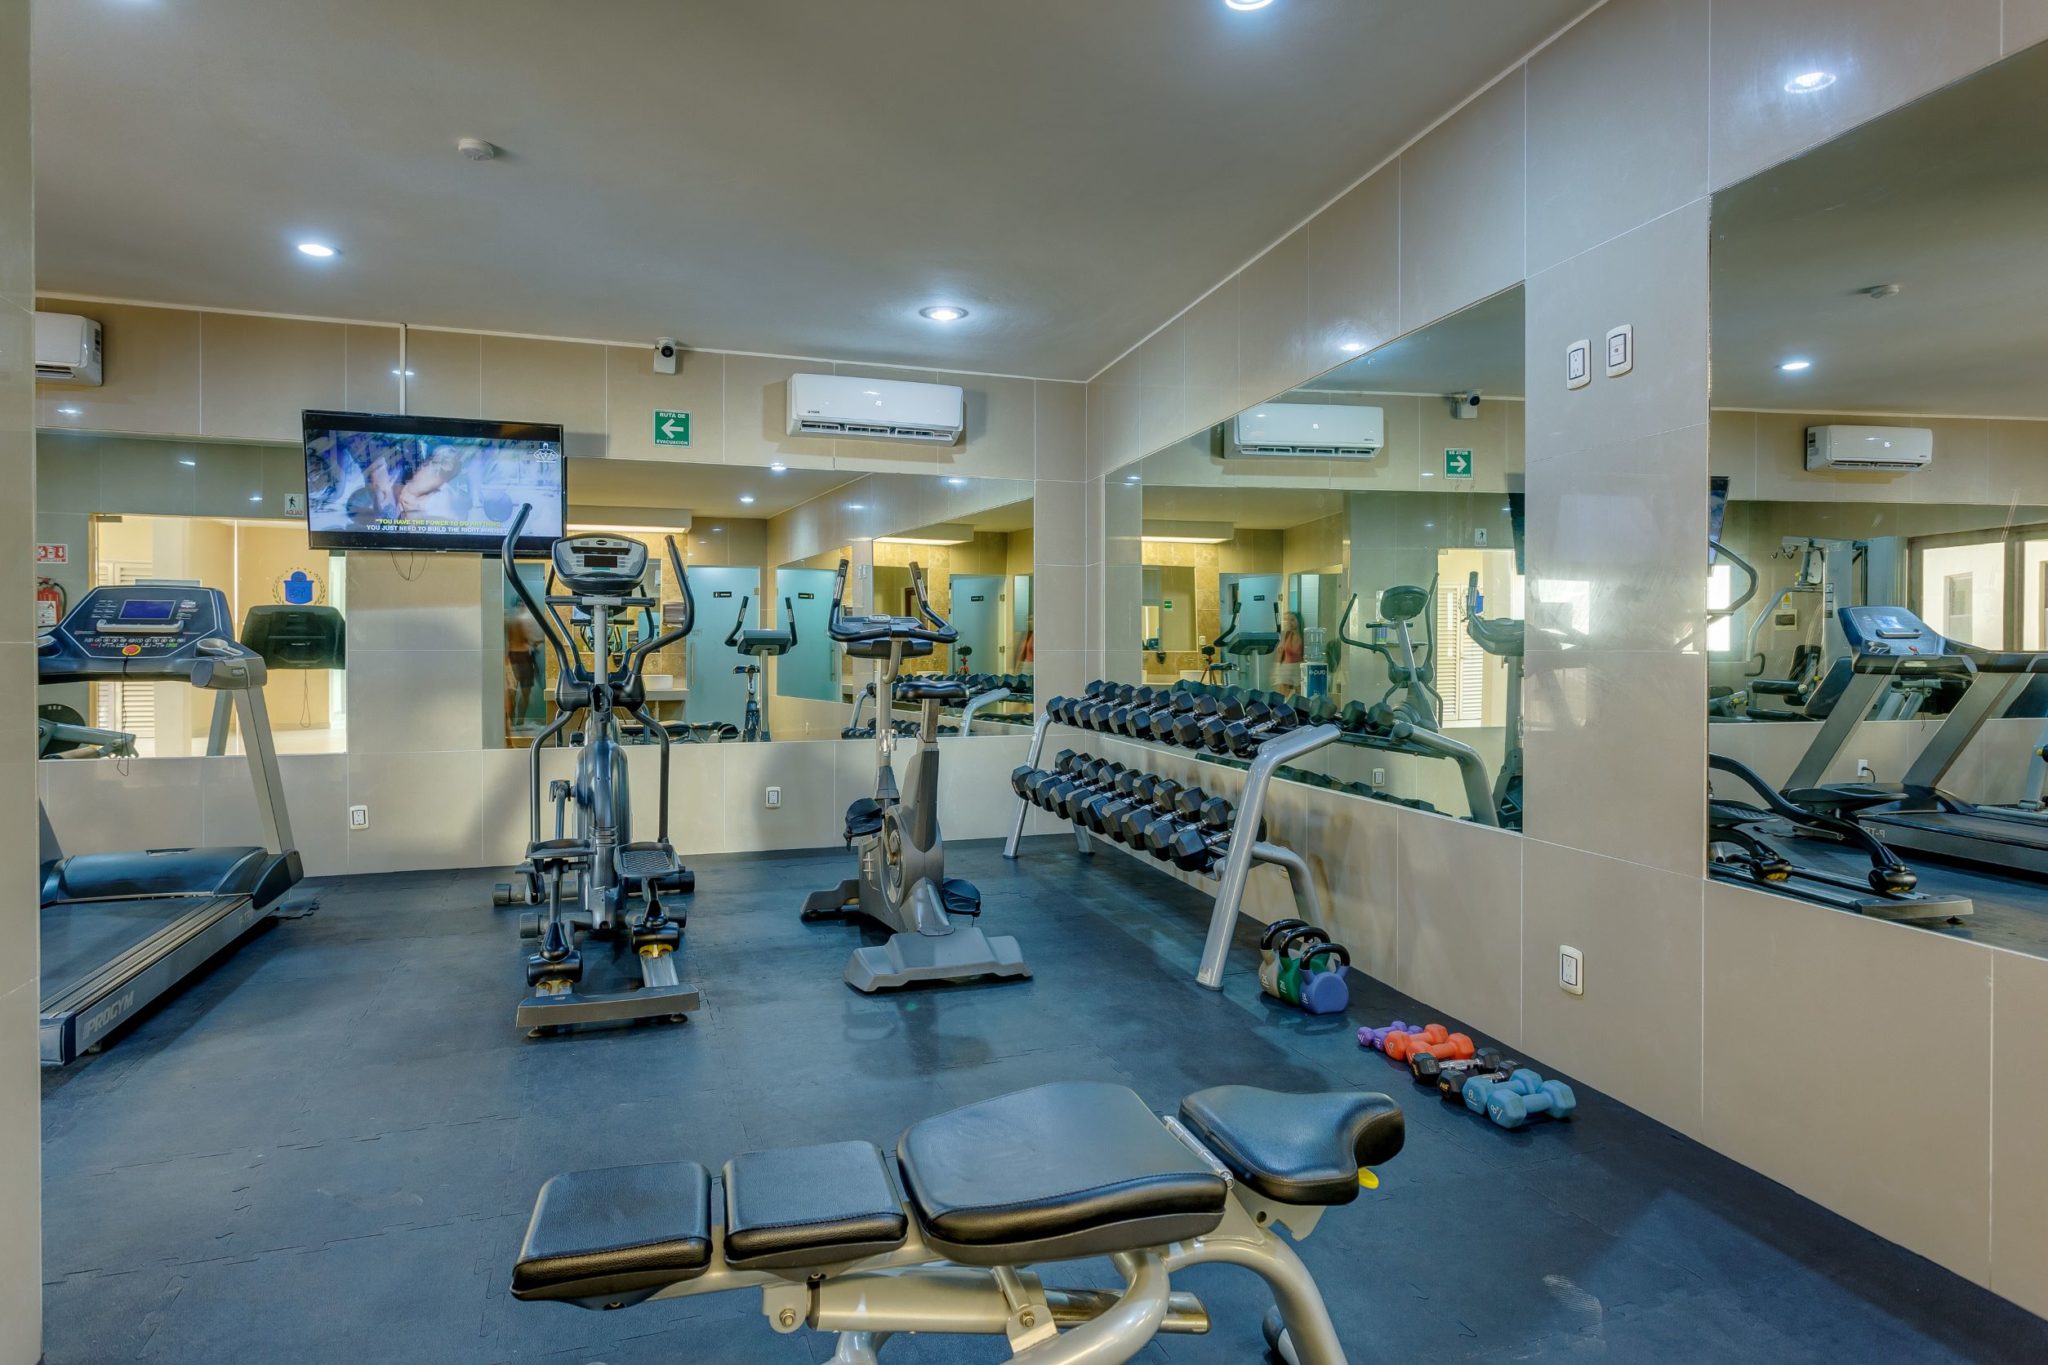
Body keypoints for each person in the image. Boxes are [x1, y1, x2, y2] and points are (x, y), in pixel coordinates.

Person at [1274, 611, 1304, 697]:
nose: (1289, 622)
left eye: (1292, 620)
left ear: (1298, 621)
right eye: (1287, 620)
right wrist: (1276, 670)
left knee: (1300, 695)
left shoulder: (1303, 636)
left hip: (1298, 667)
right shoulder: (1285, 634)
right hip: (1286, 667)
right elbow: (1280, 653)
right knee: (1282, 695)